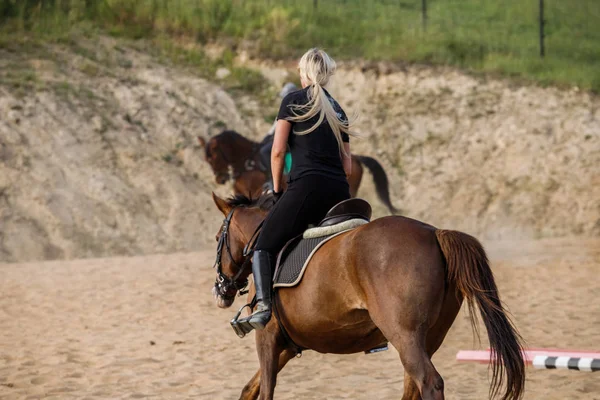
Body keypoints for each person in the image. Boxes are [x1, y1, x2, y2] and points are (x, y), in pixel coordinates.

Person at [240, 48, 354, 330]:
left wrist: (278, 189)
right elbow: (348, 166)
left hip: (306, 189)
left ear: (303, 73)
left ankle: (264, 309)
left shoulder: (293, 100)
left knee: (263, 245)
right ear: (326, 74)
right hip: (340, 192)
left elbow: (277, 152)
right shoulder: (337, 108)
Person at [259, 82, 299, 190]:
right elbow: (274, 126)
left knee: (265, 151)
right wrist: (266, 138)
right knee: (263, 148)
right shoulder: (290, 107)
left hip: (291, 141)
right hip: (287, 138)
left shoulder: (293, 108)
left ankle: (273, 181)